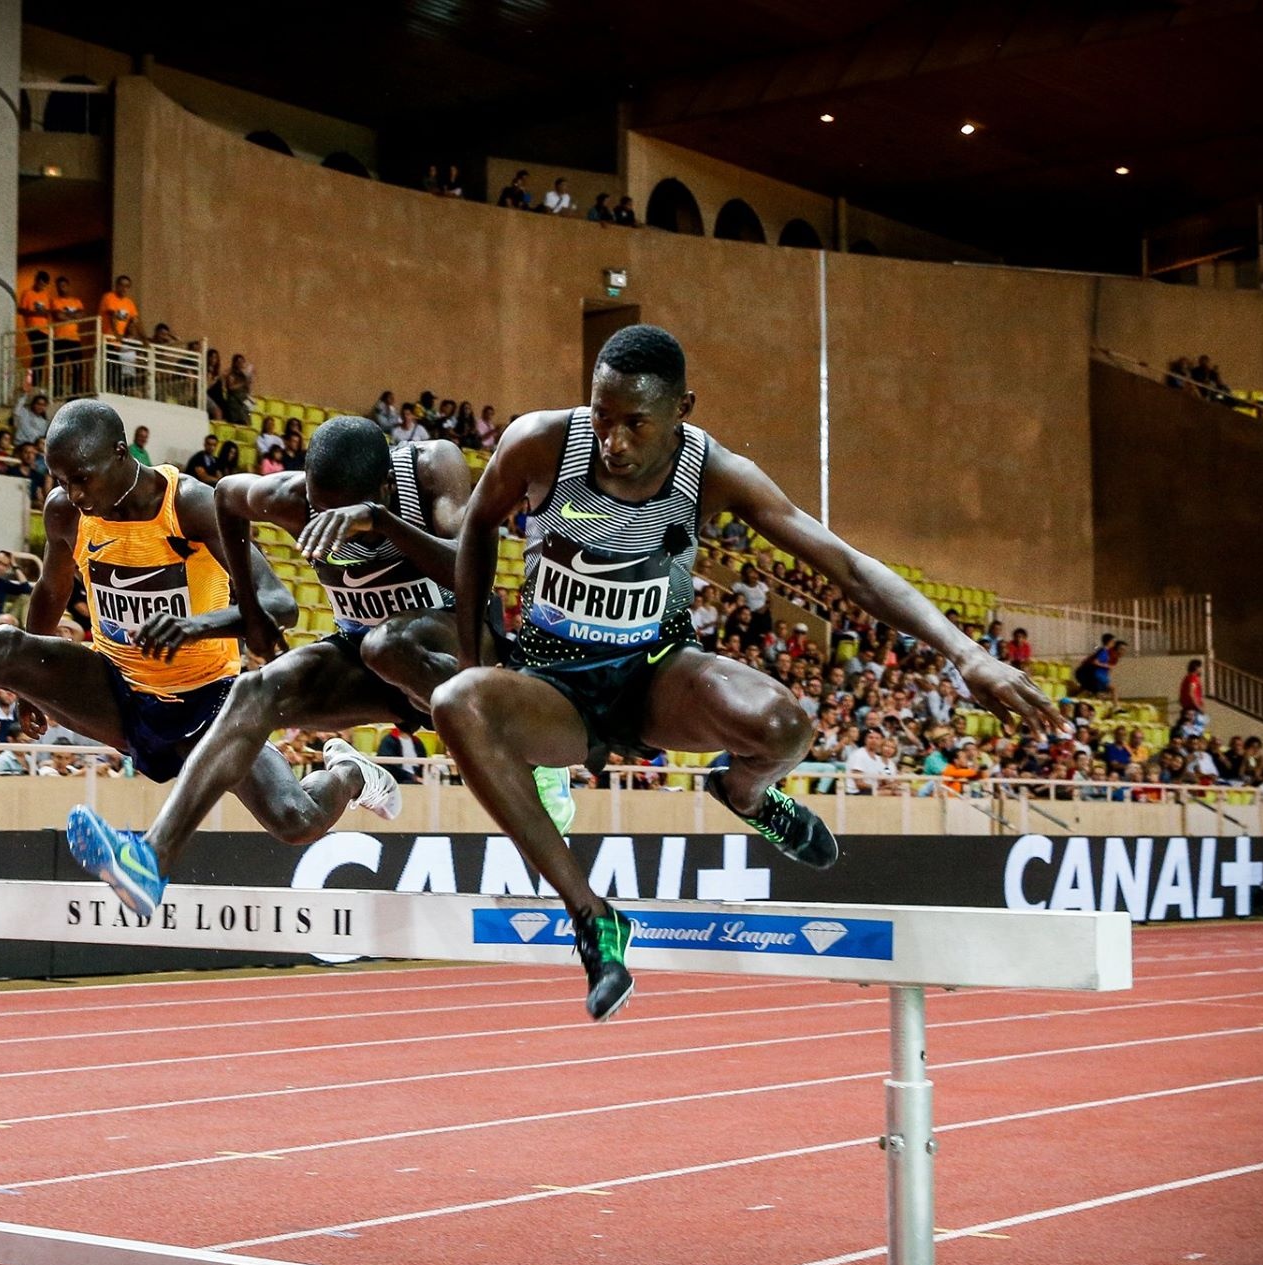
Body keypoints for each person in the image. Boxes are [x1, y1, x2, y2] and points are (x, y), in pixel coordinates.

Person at [429, 325, 1066, 1020]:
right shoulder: (543, 442)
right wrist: (475, 655)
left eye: (635, 423)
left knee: (786, 725)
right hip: (553, 686)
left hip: (654, 673)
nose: (612, 441)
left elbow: (848, 566)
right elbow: (478, 528)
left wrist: (965, 651)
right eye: (602, 416)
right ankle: (593, 916)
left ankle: (748, 794)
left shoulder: (716, 472)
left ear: (683, 410)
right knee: (458, 698)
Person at [0, 399, 367, 864]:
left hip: (207, 704)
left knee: (296, 819)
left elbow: (278, 604)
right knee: (2, 648)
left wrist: (192, 626)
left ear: (122, 455)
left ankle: (351, 773)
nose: (74, 494)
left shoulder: (191, 505)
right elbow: (50, 594)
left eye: (83, 478)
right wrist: (30, 688)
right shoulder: (67, 511)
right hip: (118, 688)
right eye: (62, 481)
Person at [66, 416, 577, 918]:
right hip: (364, 659)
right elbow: (225, 497)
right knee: (254, 691)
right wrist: (250, 610)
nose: (326, 524)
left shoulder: (430, 467)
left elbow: (474, 571)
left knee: (386, 643)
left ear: (380, 487)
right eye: (317, 506)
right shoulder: (291, 498)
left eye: (340, 515)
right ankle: (152, 858)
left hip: (458, 653)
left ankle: (520, 748)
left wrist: (382, 522)